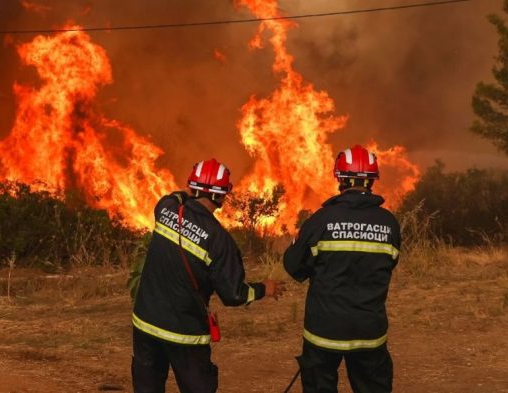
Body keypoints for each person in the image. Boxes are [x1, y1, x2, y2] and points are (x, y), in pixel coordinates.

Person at [131, 158, 283, 393]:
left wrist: (189, 192)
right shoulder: (220, 241)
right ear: (222, 196)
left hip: (146, 324)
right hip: (185, 334)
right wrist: (265, 288)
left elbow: (176, 196)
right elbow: (233, 294)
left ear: (192, 188)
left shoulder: (166, 208)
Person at [283, 145, 401, 393]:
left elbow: (293, 267)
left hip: (324, 330)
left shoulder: (321, 220)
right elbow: (389, 263)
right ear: (371, 181)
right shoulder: (389, 223)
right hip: (369, 330)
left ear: (340, 178)